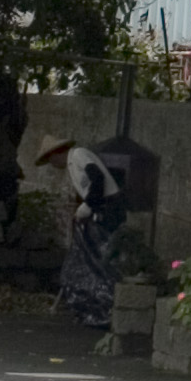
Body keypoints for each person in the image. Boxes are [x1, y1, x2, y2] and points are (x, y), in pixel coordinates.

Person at [40, 137, 126, 329]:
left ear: (56, 154)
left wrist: (88, 205)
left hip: (109, 207)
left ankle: (109, 303)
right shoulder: (72, 165)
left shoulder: (79, 155)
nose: (52, 165)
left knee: (105, 254)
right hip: (100, 208)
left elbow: (98, 179)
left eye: (51, 160)